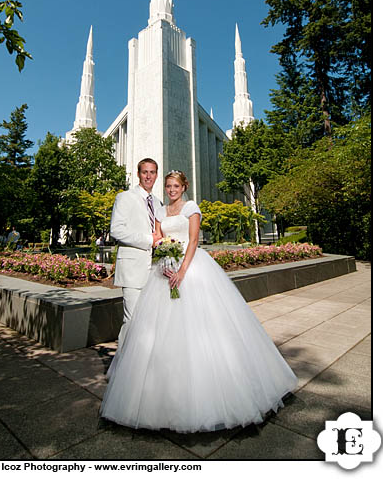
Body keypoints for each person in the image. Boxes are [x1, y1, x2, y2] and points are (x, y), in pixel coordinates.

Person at [100, 170, 298, 433]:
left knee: (201, 327)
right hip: (164, 270)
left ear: (184, 187)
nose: (171, 189)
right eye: (168, 185)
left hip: (191, 269)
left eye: (176, 185)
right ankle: (159, 390)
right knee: (159, 331)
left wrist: (182, 270)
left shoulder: (192, 207)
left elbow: (193, 240)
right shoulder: (160, 211)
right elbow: (158, 241)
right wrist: (166, 262)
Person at [109, 158, 163, 350]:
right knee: (132, 321)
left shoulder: (158, 203)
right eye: (145, 172)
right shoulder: (124, 197)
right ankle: (122, 368)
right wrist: (149, 240)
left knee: (149, 322)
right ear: (138, 173)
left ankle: (142, 368)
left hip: (155, 271)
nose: (149, 176)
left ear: (157, 175)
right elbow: (116, 230)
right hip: (133, 269)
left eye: (152, 172)